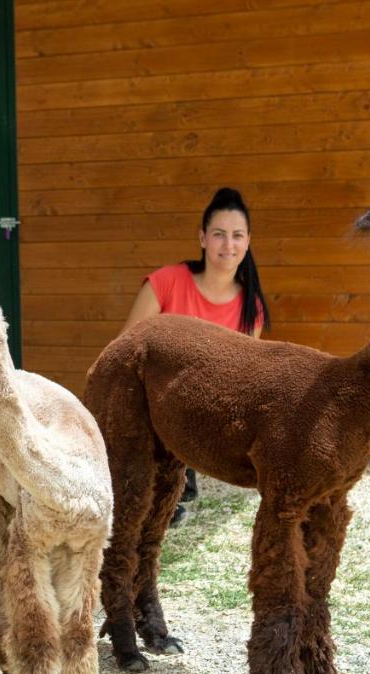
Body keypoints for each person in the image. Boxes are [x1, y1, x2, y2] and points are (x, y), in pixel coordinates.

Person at [121, 187, 270, 526]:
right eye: (219, 235)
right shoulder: (167, 282)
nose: (227, 245)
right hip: (149, 405)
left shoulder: (252, 308)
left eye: (236, 236)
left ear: (247, 242)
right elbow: (123, 352)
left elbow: (239, 382)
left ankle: (178, 480)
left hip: (203, 419)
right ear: (203, 239)